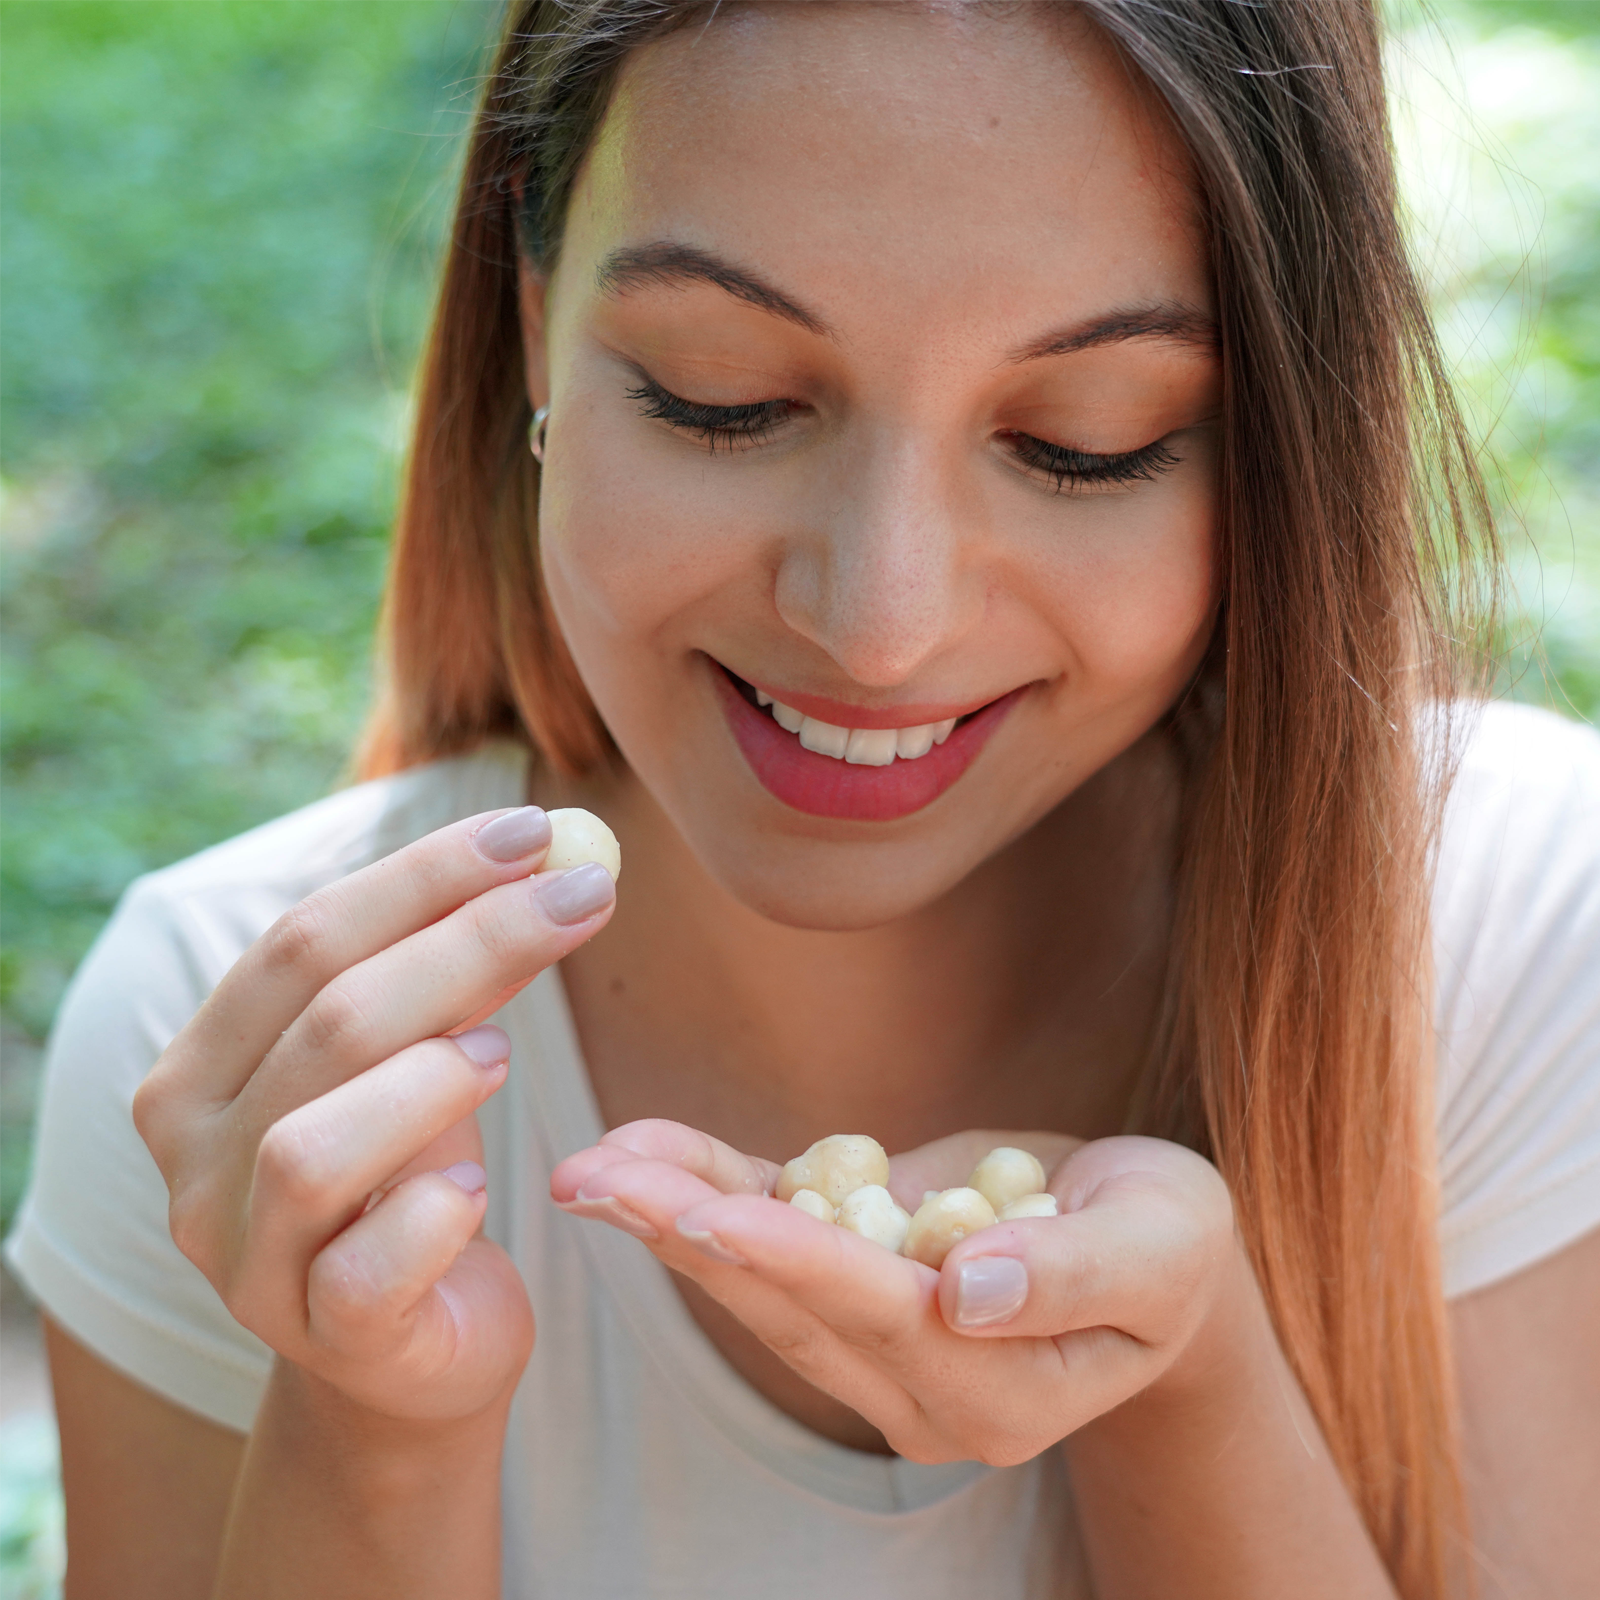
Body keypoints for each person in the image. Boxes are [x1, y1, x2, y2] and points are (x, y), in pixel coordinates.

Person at [9, 0, 1600, 1594]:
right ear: (536, 315)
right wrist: (373, 1427)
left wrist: (1185, 1384)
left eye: (1085, 443)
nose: (878, 625)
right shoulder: (246, 1060)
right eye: (723, 396)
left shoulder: (1509, 928)